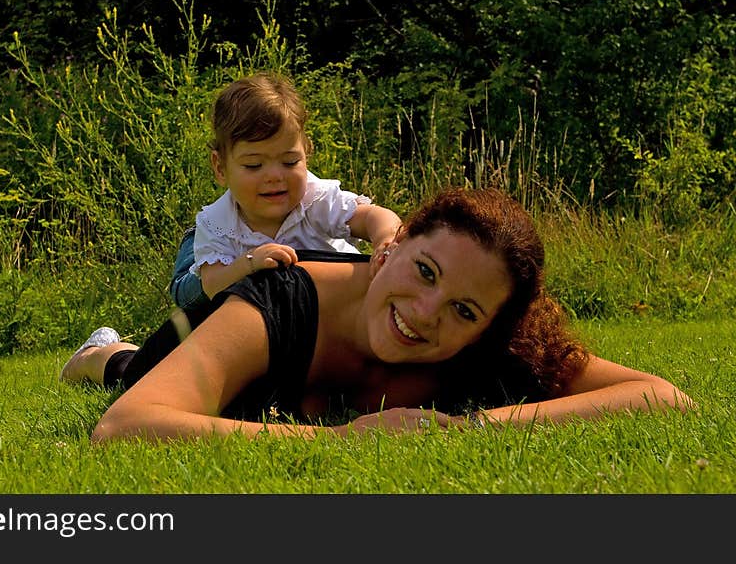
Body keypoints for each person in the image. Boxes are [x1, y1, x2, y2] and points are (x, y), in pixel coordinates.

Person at [61, 186, 693, 442]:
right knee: (137, 371)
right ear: (395, 244)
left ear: (486, 328)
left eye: (463, 310)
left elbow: (663, 397)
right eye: (424, 271)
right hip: (210, 327)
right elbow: (125, 426)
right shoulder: (280, 298)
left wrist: (473, 429)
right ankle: (99, 354)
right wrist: (336, 441)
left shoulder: (486, 350)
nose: (423, 314)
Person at [168, 72, 402, 310]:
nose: (274, 177)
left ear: (306, 153)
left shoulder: (315, 200)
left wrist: (385, 240)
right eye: (254, 165)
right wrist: (250, 264)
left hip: (338, 307)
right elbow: (212, 284)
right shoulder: (216, 223)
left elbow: (374, 216)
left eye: (290, 162)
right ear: (220, 167)